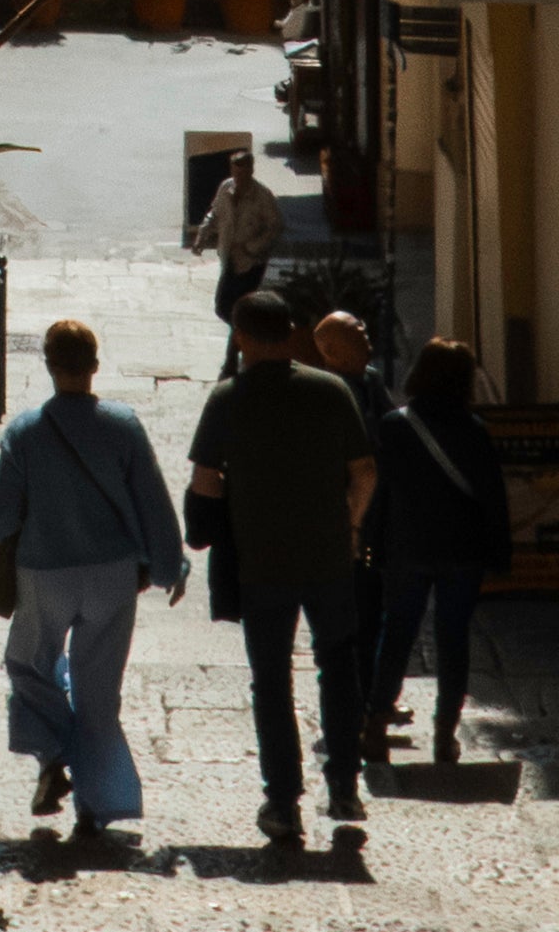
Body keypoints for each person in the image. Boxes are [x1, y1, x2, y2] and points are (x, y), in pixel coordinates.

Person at [0, 317, 188, 849]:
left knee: (28, 662)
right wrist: (169, 565)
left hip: (45, 572)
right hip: (113, 575)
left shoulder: (25, 432)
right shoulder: (124, 425)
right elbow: (153, 502)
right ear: (95, 365)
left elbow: (0, 520)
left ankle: (52, 752)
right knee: (99, 690)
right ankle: (96, 806)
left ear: (48, 366)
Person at [187, 285, 375, 844]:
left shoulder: (228, 398)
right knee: (338, 666)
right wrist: (353, 527)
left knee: (271, 681)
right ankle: (343, 784)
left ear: (241, 337)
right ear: (292, 332)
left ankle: (283, 801)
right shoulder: (332, 390)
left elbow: (205, 479)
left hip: (261, 561)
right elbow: (364, 471)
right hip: (328, 557)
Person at [367, 335, 510, 769]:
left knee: (397, 634)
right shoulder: (475, 430)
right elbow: (493, 498)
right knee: (453, 640)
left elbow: (379, 491)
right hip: (461, 551)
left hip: (407, 547)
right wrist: (500, 554)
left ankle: (374, 726)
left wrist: (371, 541)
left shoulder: (395, 425)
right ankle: (445, 735)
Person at [311, 309, 395, 737]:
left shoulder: (372, 380)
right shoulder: (332, 390)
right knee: (352, 620)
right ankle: (351, 710)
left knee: (375, 612)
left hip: (381, 517)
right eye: (357, 332)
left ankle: (371, 698)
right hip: (350, 520)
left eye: (364, 327)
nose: (367, 333)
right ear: (334, 353)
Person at [189, 148, 282, 364]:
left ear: (251, 170)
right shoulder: (225, 188)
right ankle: (247, 338)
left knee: (239, 310)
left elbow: (275, 226)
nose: (239, 178)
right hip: (230, 258)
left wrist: (253, 247)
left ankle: (232, 359)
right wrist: (202, 236)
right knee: (223, 307)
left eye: (244, 173)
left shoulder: (262, 196)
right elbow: (215, 213)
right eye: (236, 173)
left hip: (251, 262)